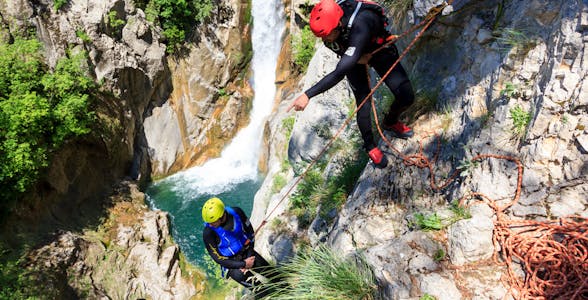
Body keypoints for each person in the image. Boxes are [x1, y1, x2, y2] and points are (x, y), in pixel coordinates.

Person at [287, 0, 416, 168]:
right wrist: (352, 56)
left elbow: (339, 72)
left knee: (406, 96)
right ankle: (370, 146)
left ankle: (390, 122)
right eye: (321, 36)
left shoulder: (361, 23)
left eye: (326, 35)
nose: (324, 39)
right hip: (352, 53)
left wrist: (307, 94)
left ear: (339, 24)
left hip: (377, 48)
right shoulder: (331, 26)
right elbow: (335, 44)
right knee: (363, 102)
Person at [202, 197, 279, 298]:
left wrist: (249, 255)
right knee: (260, 290)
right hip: (231, 264)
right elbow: (218, 259)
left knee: (274, 275)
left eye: (213, 222)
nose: (210, 224)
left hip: (247, 252)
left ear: (222, 215)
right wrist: (242, 264)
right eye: (209, 222)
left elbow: (250, 233)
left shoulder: (237, 212)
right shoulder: (209, 233)